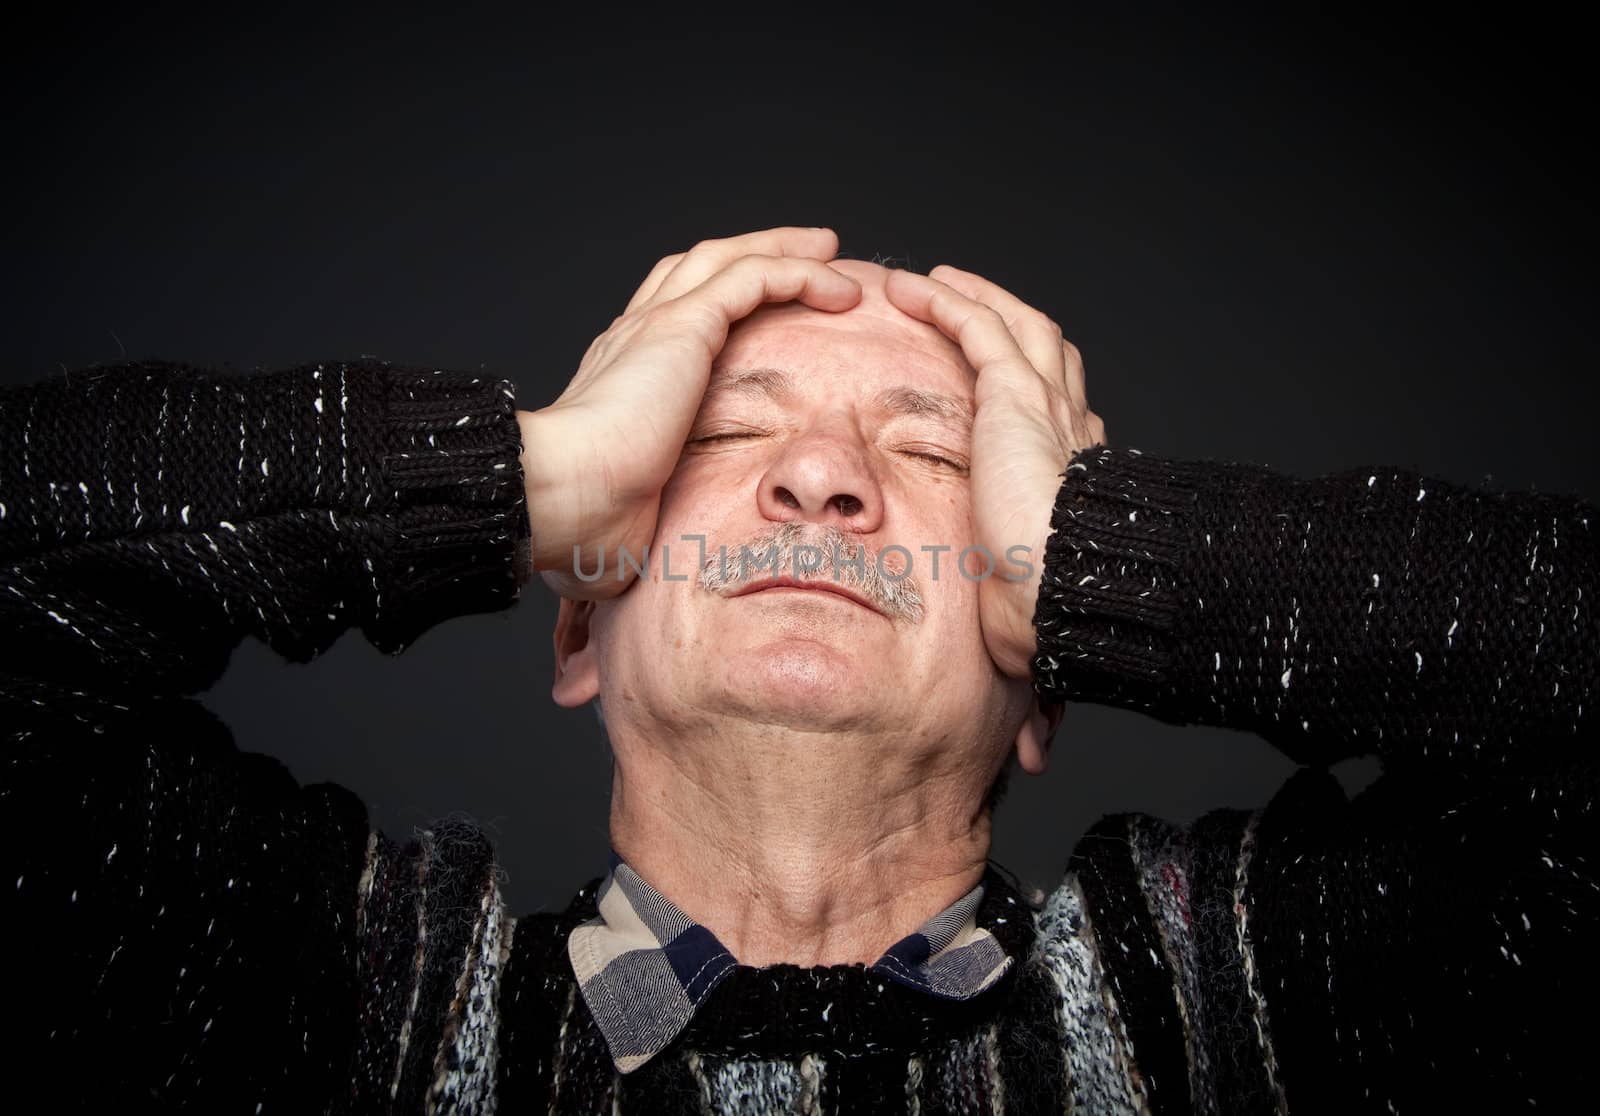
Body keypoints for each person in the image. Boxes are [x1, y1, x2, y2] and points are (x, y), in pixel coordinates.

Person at [1, 226, 1594, 1114]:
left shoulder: (1270, 1022)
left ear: (1053, 672)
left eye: (932, 453)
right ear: (579, 623)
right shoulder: (326, 1010)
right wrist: (524, 477)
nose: (820, 485)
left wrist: (1122, 555)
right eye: (725, 434)